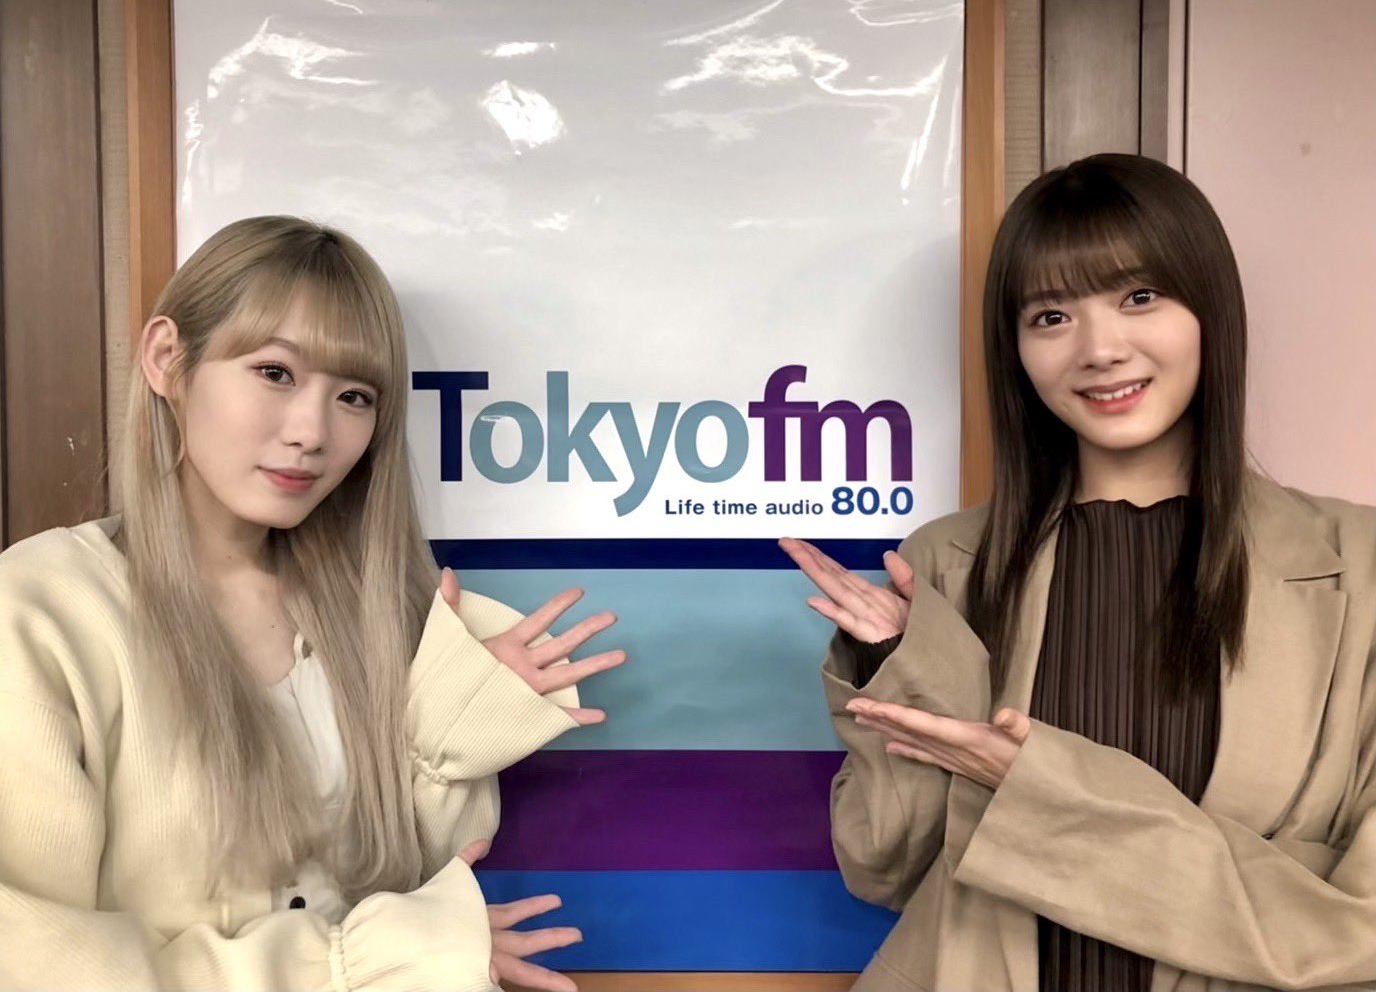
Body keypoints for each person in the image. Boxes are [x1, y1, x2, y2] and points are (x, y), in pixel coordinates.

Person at [781, 153, 1376, 991]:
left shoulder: (1360, 567)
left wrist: (1036, 794)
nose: (1099, 349)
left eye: (1140, 296)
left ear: (1209, 307)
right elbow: (884, 867)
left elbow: (1356, 930)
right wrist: (901, 670)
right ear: (1017, 349)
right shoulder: (944, 562)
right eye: (1052, 315)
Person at [0, 216, 626, 990]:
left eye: (353, 395)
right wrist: (345, 962)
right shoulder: (40, 611)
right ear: (167, 359)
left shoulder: (373, 614)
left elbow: (412, 889)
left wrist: (448, 735)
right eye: (275, 372)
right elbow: (33, 963)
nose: (312, 431)